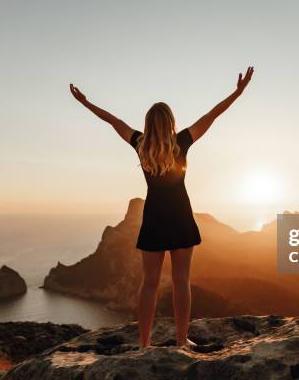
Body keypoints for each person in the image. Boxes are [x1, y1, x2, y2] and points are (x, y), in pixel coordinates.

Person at [69, 66, 254, 348]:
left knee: (149, 284)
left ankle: (145, 344)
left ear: (147, 123)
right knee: (182, 282)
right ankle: (182, 340)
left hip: (154, 219)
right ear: (170, 122)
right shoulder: (182, 142)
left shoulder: (139, 144)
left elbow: (112, 120)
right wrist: (238, 92)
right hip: (180, 217)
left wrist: (84, 103)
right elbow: (213, 114)